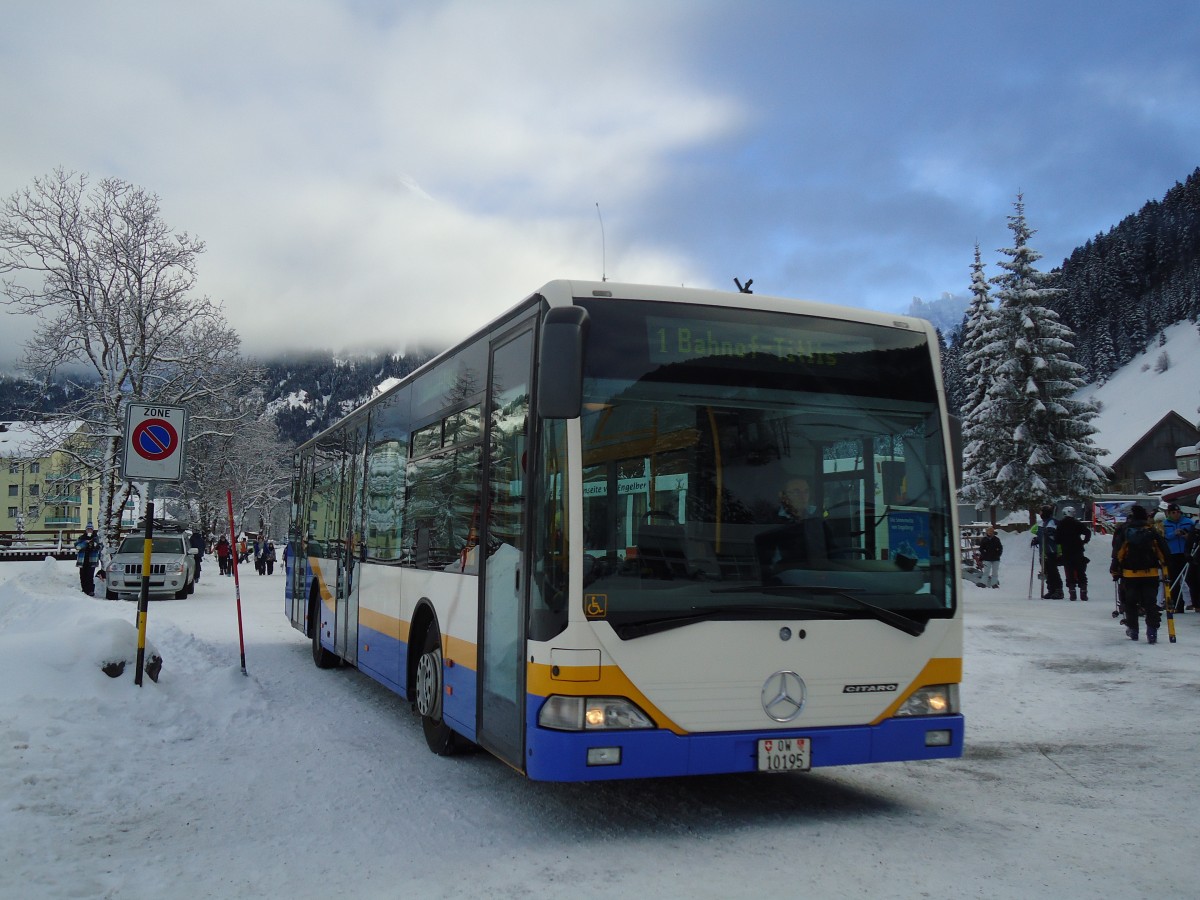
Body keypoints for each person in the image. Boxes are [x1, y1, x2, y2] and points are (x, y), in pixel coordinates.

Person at [756, 476, 838, 580]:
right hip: (788, 582)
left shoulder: (818, 520)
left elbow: (834, 552)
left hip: (822, 579)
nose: (803, 496)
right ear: (783, 496)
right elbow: (767, 563)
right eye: (796, 492)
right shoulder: (772, 521)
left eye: (806, 492)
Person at [1111, 504, 1170, 643]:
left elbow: (1117, 553)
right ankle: (1152, 631)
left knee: (1130, 602)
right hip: (1151, 573)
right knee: (1150, 602)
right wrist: (1166, 566)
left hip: (1130, 574)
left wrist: (1115, 571)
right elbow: (1164, 551)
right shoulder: (1152, 530)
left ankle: (1133, 630)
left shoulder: (1125, 531)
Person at [1160, 503, 1196, 612]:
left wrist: (1187, 537)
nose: (1176, 515)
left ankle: (1195, 603)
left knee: (1192, 579)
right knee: (1174, 580)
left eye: (1178, 512)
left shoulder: (1188, 522)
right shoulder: (1164, 524)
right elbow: (1163, 537)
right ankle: (1177, 605)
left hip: (1186, 554)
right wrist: (1173, 534)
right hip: (1173, 554)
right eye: (1173, 513)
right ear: (1169, 513)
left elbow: (1195, 536)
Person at [1056, 506, 1091, 601]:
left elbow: (1057, 539)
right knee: (1081, 571)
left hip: (1066, 551)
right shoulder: (1077, 523)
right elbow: (1087, 532)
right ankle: (1083, 591)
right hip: (1078, 550)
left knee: (1069, 571)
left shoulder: (1061, 524)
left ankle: (1072, 592)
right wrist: (1084, 541)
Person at [1030, 505, 1064, 599]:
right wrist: (1037, 539)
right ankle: (1051, 589)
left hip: (1051, 550)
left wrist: (1050, 536)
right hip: (1043, 551)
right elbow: (1040, 535)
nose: (1040, 513)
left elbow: (1057, 536)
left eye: (1041, 512)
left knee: (1053, 571)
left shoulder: (1053, 522)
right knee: (1046, 571)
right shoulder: (1041, 523)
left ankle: (1058, 590)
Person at [74, 525, 103, 596]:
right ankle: (84, 590)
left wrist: (94, 544)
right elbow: (77, 547)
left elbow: (101, 546)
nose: (89, 531)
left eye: (91, 530)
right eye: (88, 529)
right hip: (82, 560)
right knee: (82, 575)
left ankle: (90, 591)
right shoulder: (81, 538)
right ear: (86, 530)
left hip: (92, 560)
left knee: (90, 576)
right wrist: (85, 543)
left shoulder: (96, 538)